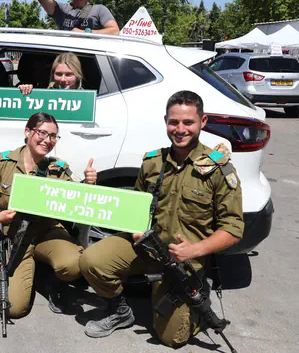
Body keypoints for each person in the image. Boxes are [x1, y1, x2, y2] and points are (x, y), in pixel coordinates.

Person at [77, 90, 243, 347]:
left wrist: (195, 250)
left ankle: (197, 297)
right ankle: (121, 311)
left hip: (184, 261)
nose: (180, 129)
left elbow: (233, 228)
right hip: (148, 247)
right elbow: (138, 205)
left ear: (203, 122)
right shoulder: (153, 162)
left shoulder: (219, 169)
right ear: (166, 120)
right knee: (91, 260)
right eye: (174, 122)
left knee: (171, 338)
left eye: (188, 122)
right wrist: (134, 227)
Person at [0, 112, 98, 318]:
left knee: (73, 265)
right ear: (27, 132)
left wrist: (89, 183)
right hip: (16, 236)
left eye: (53, 136)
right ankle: (27, 272)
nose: (47, 140)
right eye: (42, 133)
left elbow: (78, 199)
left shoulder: (58, 168)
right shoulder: (2, 162)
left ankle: (53, 281)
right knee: (14, 309)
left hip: (46, 231)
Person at [18, 52, 84, 95]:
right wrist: (26, 91)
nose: (63, 79)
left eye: (68, 75)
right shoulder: (45, 93)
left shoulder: (87, 98)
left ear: (77, 76)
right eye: (59, 74)